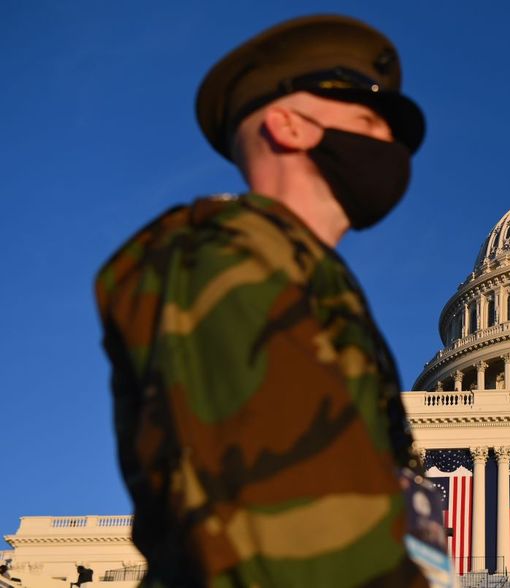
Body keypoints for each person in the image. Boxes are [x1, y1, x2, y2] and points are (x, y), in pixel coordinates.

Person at [95, 14, 428, 587]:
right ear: (287, 127)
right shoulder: (220, 261)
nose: (391, 147)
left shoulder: (313, 280)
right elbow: (287, 526)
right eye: (368, 120)